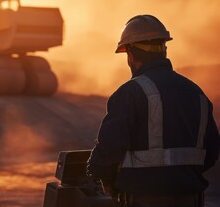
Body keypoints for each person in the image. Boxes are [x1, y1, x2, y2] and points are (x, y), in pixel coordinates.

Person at [87, 15, 220, 207]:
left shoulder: (130, 92)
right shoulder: (196, 93)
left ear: (130, 54)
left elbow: (110, 149)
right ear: (164, 50)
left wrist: (99, 174)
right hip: (191, 198)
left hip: (144, 199)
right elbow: (212, 152)